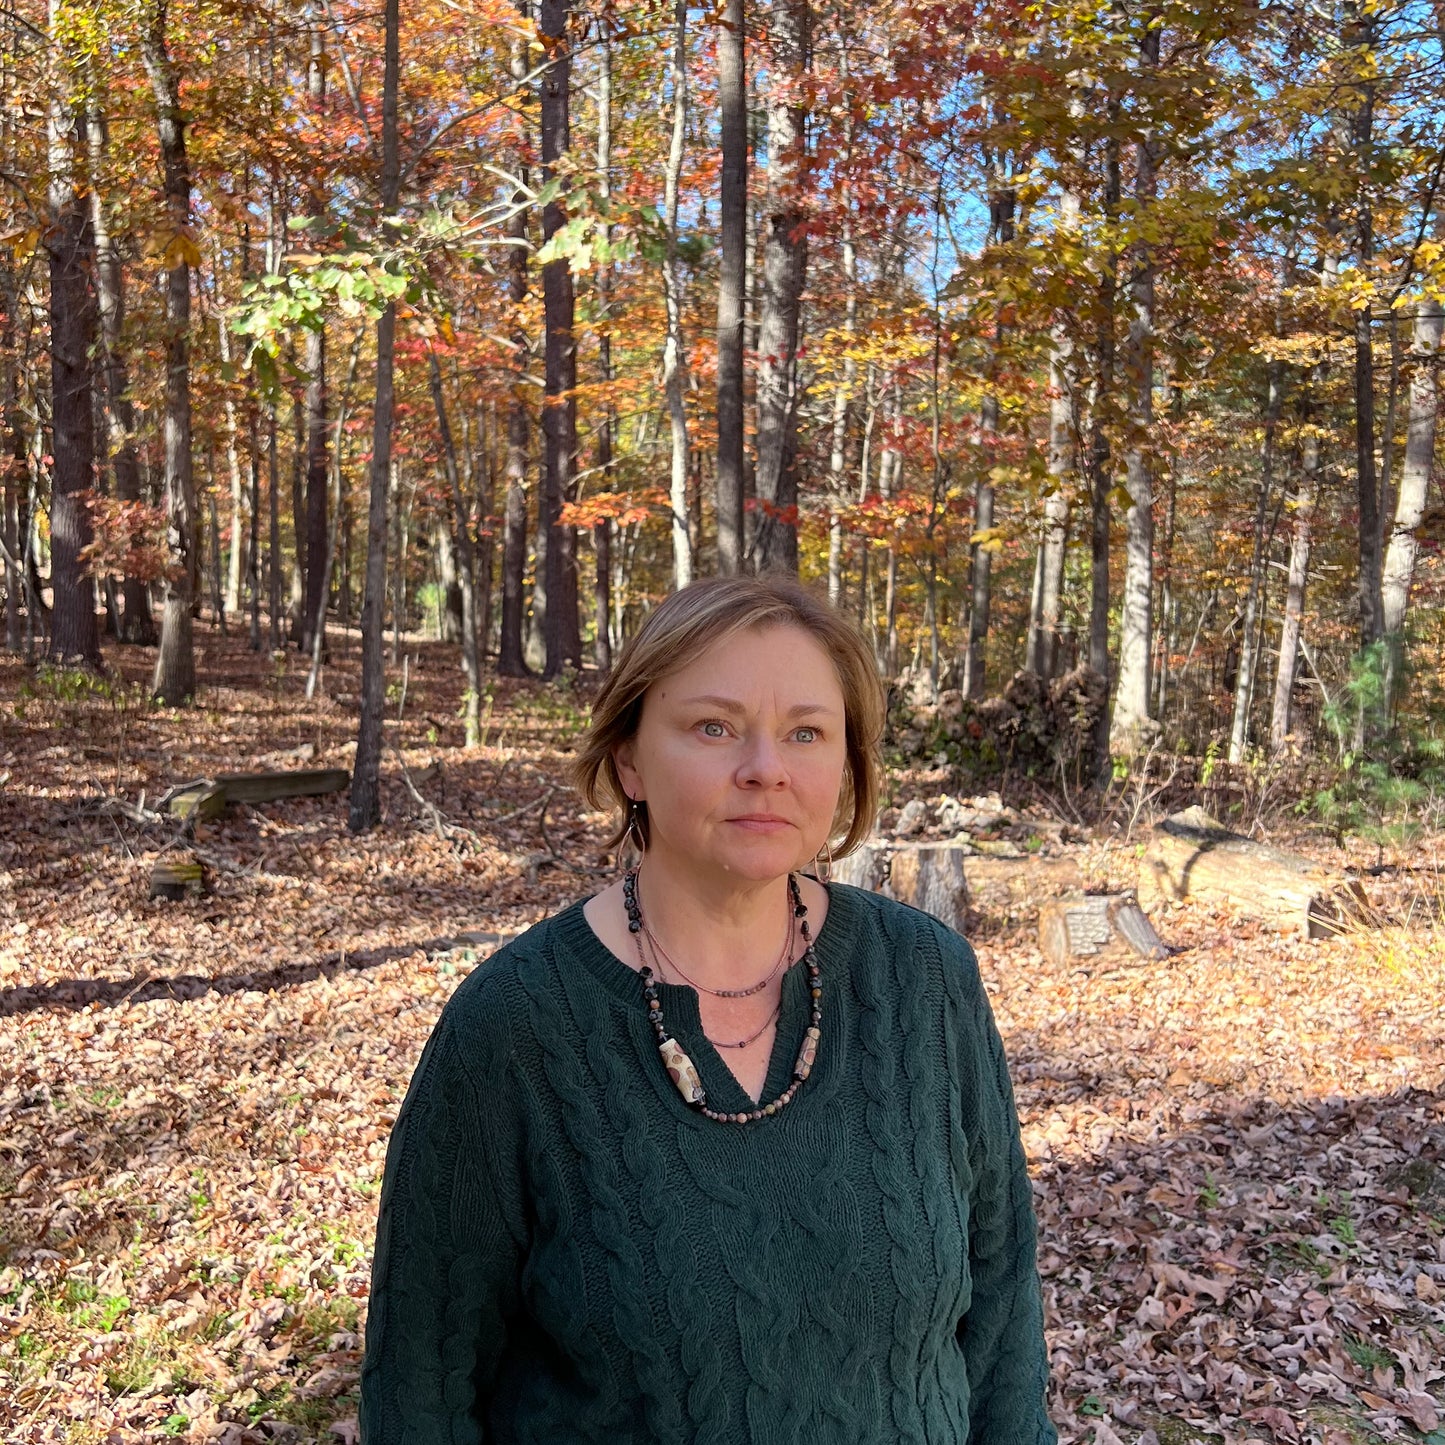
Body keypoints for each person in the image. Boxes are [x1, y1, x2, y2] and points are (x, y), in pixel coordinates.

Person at [359, 575, 1056, 1444]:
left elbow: (1000, 1313)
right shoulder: (514, 1026)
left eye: (806, 731)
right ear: (629, 759)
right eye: (713, 726)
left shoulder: (926, 979)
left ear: (845, 763)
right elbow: (422, 1388)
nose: (764, 766)